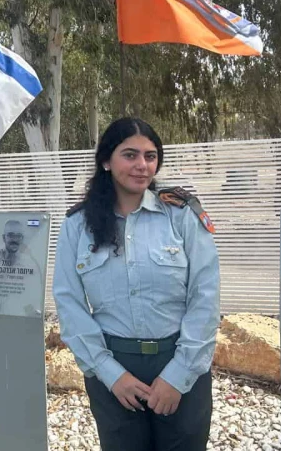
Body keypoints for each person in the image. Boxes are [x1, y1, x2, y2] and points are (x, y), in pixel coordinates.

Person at [53, 117, 220, 451]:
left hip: (179, 361)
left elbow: (205, 296)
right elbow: (69, 303)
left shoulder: (181, 216)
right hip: (114, 368)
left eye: (150, 155)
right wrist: (110, 374)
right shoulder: (77, 225)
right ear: (105, 161)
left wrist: (179, 375)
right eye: (130, 155)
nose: (142, 165)